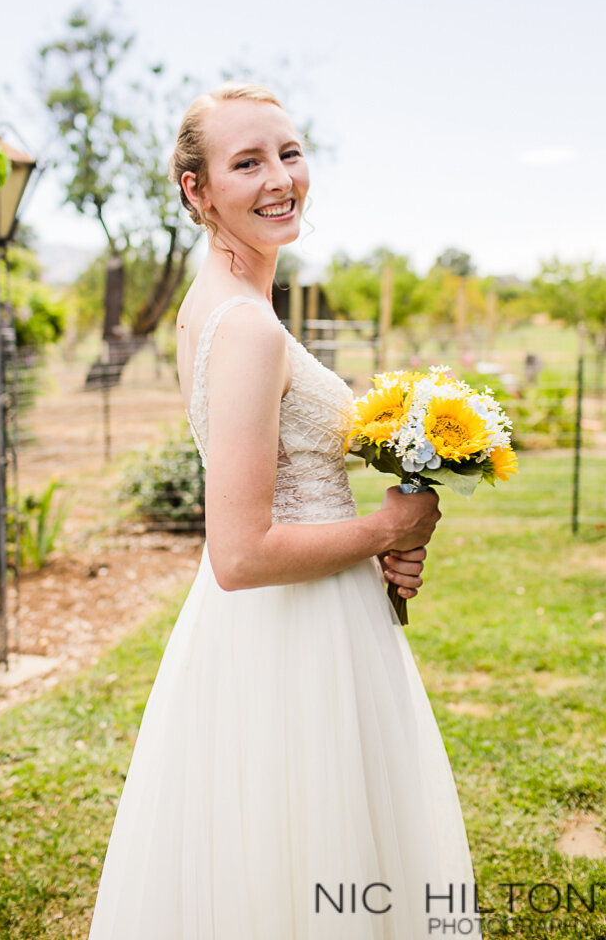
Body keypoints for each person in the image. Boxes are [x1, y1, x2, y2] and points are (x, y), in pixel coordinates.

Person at [87, 84, 476, 938]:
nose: (279, 179)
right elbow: (241, 553)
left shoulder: (212, 308)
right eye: (247, 162)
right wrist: (388, 530)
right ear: (197, 191)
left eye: (289, 154)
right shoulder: (250, 329)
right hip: (293, 632)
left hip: (289, 620)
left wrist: (383, 533)